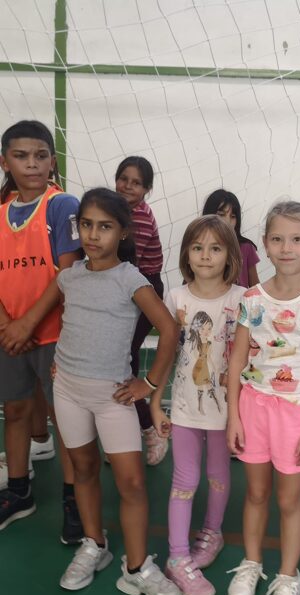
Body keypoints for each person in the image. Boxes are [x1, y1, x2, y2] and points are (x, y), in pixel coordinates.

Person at [18, 188, 180, 595]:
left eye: (104, 226)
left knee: (132, 483)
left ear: (122, 232)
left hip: (113, 397)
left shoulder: (130, 279)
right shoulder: (69, 277)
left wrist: (148, 383)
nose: (93, 235)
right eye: (87, 225)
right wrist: (62, 358)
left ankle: (138, 567)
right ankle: (95, 544)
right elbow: (60, 319)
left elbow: (169, 329)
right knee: (84, 469)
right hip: (68, 390)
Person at [226, 200, 300, 595]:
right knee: (255, 494)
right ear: (265, 245)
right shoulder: (252, 298)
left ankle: (288, 576)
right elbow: (237, 359)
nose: (287, 248)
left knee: (289, 500)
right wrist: (233, 417)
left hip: (297, 413)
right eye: (277, 239)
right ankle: (251, 563)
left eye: (297, 239)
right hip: (253, 407)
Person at [149, 215, 245, 595]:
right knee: (184, 480)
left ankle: (212, 532)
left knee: (219, 476)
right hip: (186, 409)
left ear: (230, 255)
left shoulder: (242, 299)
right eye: (198, 247)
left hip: (226, 411)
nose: (206, 256)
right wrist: (156, 403)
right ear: (187, 254)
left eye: (215, 248)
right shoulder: (176, 299)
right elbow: (165, 356)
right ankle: (177, 557)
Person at [0, 119, 83, 543]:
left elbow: (67, 274)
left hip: (54, 336)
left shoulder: (62, 205)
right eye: (21, 156)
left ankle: (74, 498)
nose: (31, 164)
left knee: (63, 419)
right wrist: (7, 326)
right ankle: (19, 492)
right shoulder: (0, 213)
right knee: (15, 411)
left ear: (52, 161)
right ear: (5, 162)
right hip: (9, 337)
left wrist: (27, 323)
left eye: (40, 155)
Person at [115, 156, 168, 465]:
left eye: (136, 183)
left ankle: (150, 429)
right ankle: (129, 430)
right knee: (121, 360)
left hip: (144, 290)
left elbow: (127, 263)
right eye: (123, 178)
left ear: (147, 189)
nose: (127, 186)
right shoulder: (117, 210)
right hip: (124, 287)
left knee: (124, 360)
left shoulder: (140, 219)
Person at [202, 189, 260, 288]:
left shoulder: (246, 247)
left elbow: (255, 288)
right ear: (208, 215)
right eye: (221, 215)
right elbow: (188, 285)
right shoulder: (198, 246)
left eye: (233, 216)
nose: (227, 221)